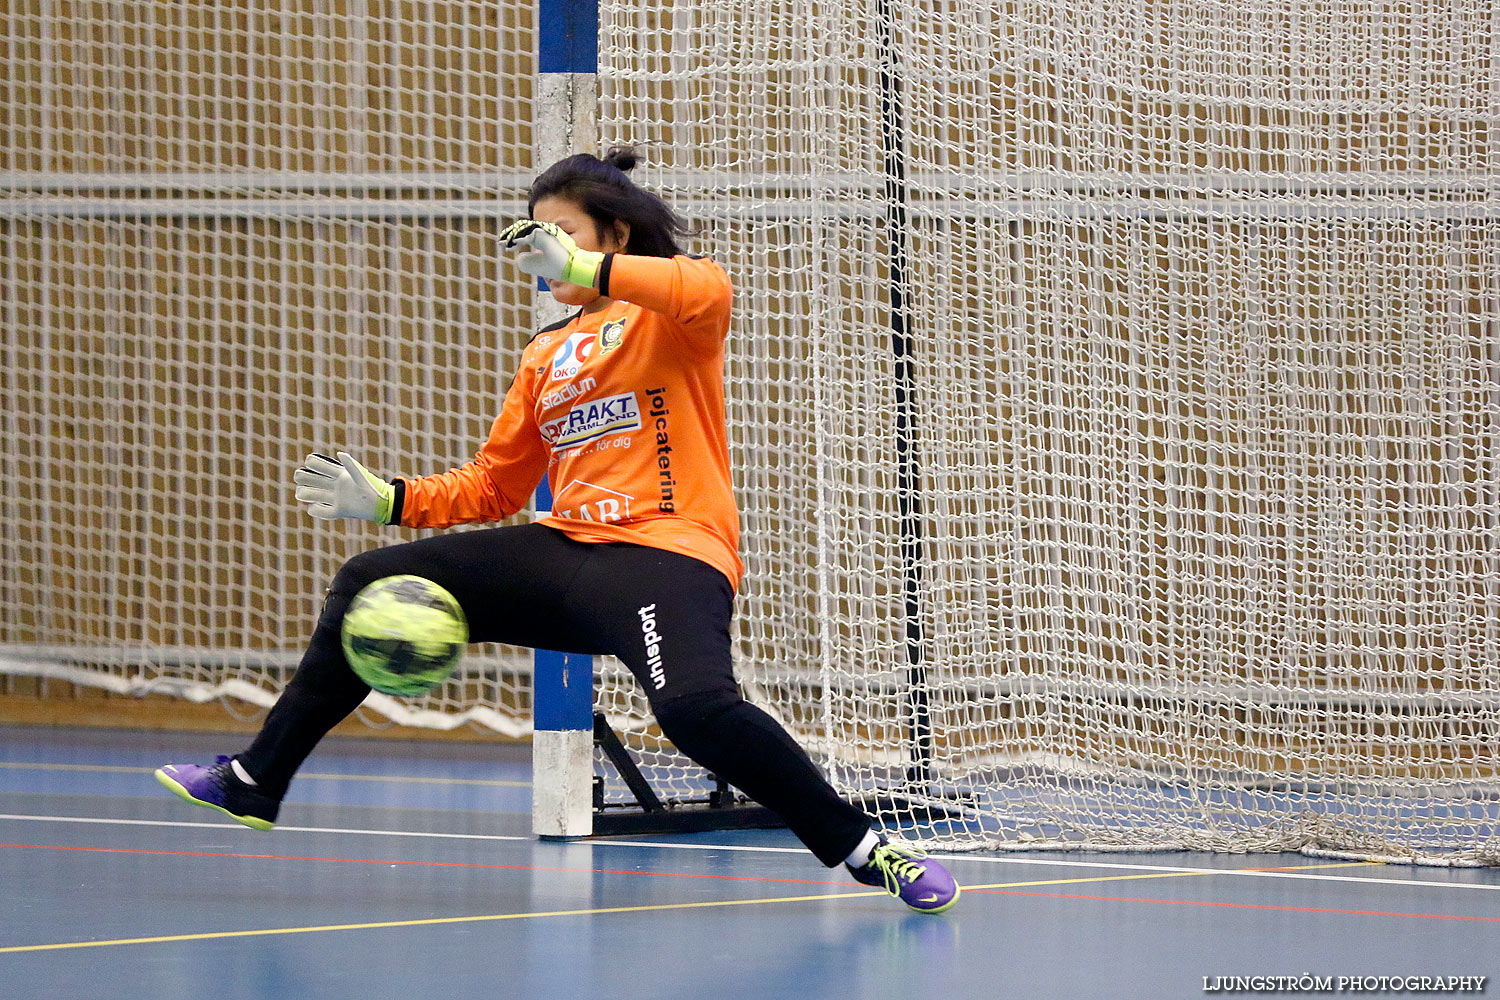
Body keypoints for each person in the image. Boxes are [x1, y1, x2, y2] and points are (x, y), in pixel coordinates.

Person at [155, 146, 959, 914]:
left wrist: (583, 268)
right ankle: (257, 781)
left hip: (665, 553)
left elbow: (708, 288)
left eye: (562, 232)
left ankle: (860, 848)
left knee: (696, 712)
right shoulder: (546, 353)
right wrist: (389, 499)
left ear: (614, 235)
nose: (543, 250)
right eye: (535, 235)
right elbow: (495, 484)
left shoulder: (670, 314)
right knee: (369, 580)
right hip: (566, 552)